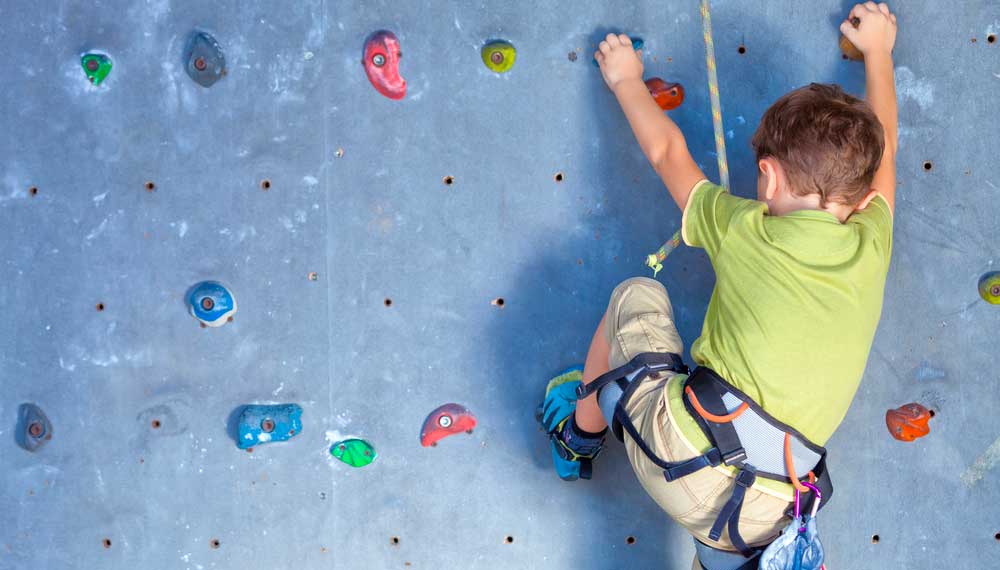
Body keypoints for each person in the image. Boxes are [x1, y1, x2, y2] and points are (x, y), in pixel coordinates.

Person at [538, 3, 898, 569]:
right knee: (739, 522)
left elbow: (667, 154)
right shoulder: (872, 242)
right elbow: (887, 160)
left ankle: (576, 438)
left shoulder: (746, 229)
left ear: (771, 176)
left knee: (634, 298)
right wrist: (879, 52)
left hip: (679, 462)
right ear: (863, 200)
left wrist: (627, 80)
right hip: (765, 517)